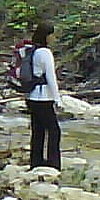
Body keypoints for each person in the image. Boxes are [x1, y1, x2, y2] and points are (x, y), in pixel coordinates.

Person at [26, 21, 62, 170]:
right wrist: (57, 99)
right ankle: (53, 164)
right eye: (52, 35)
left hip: (32, 96)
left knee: (38, 131)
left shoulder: (32, 50)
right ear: (46, 36)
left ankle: (36, 162)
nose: (54, 38)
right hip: (44, 97)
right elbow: (51, 77)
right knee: (54, 131)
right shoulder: (45, 53)